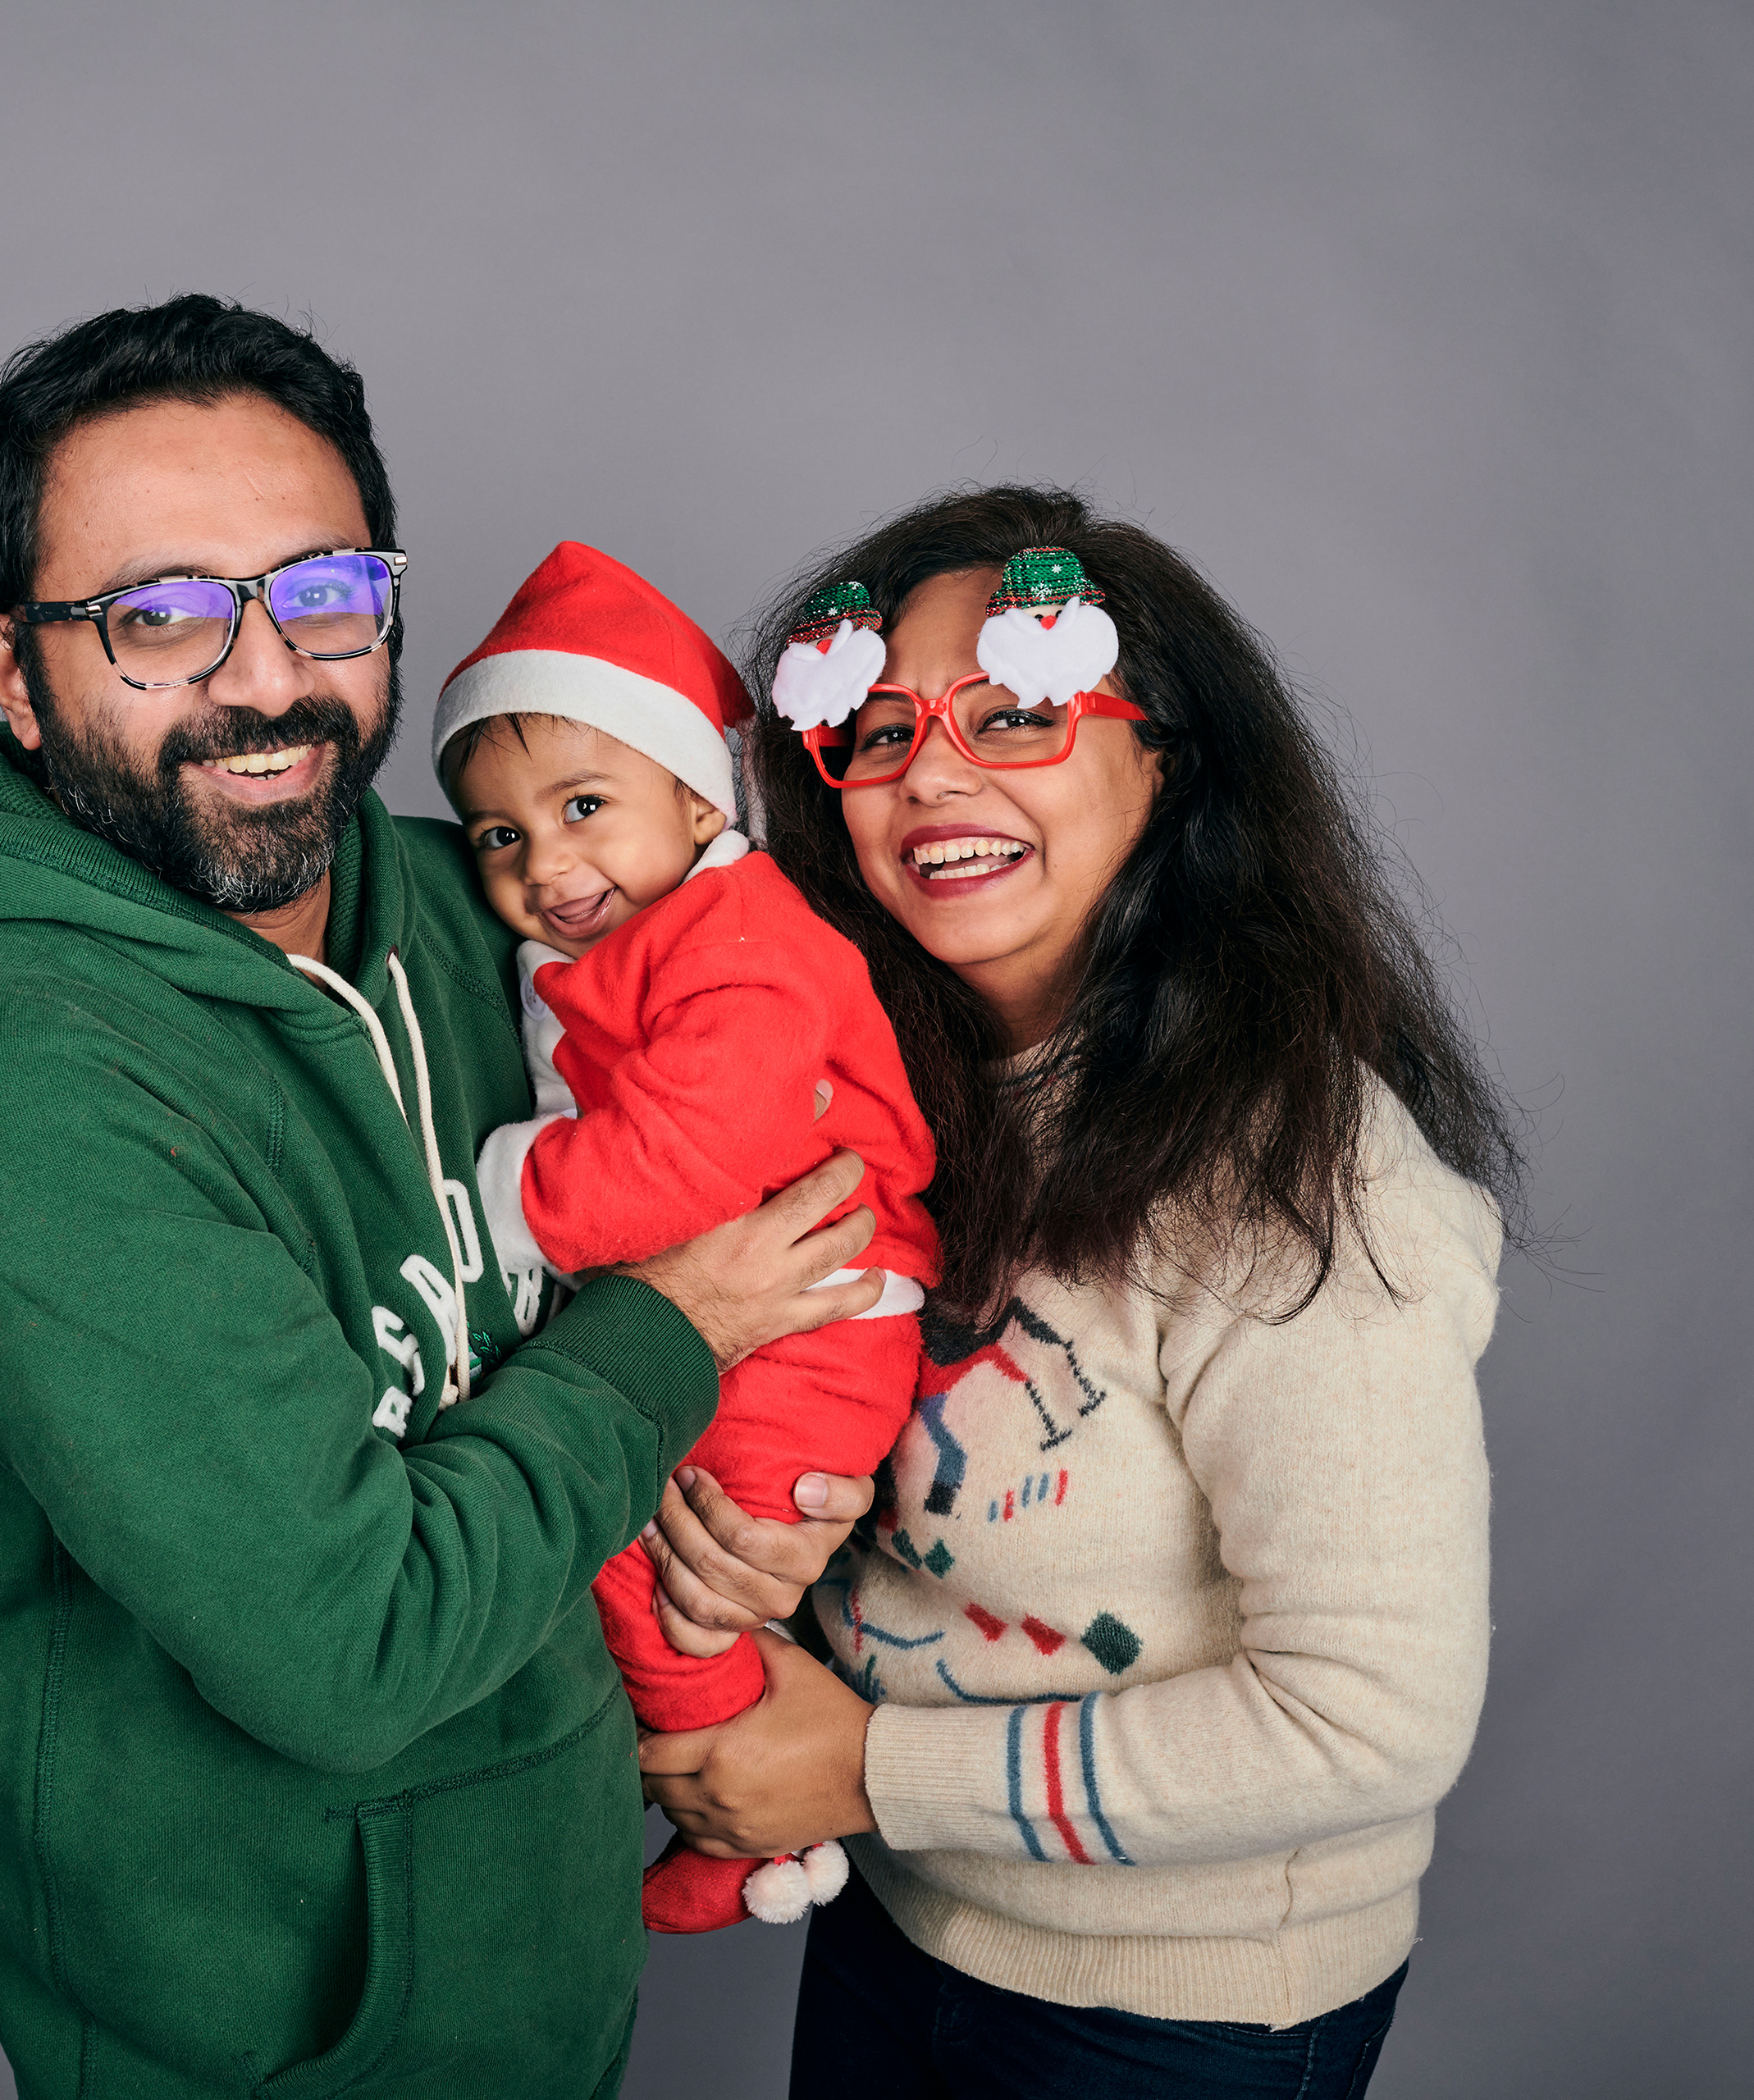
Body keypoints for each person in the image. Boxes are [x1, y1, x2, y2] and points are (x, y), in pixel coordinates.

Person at [0, 296, 883, 2100]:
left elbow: (784, 1110)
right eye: (160, 616)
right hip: (271, 2044)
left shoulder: (490, 909)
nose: (265, 679)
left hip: (545, 1970)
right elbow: (357, 1651)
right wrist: (679, 1336)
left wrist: (779, 1501)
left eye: (322, 593)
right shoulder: (23, 1094)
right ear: (14, 669)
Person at [633, 489, 1526, 2098]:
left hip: (1174, 2015)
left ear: (1165, 764)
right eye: (879, 735)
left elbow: (1370, 1718)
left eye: (1016, 714)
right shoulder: (868, 1101)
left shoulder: (1305, 1179)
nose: (932, 777)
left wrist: (868, 1766)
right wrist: (768, 1557)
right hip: (895, 1923)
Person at [432, 541, 942, 1933]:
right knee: (660, 1561)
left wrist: (507, 1189)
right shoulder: (646, 939)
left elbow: (688, 1160)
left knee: (629, 1559)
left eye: (585, 806)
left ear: (699, 796)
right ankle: (733, 1779)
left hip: (816, 1338)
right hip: (766, 1325)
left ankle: (736, 1814)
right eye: (499, 836)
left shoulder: (744, 945)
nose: (547, 861)